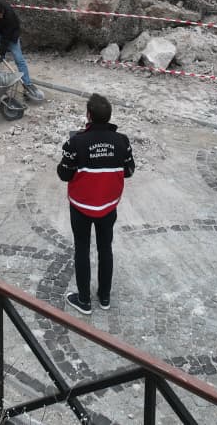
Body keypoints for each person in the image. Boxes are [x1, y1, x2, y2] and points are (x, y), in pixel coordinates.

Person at [56, 93, 136, 315]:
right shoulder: (122, 141)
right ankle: (104, 297)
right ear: (109, 117)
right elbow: (129, 171)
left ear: (88, 116)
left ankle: (83, 300)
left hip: (81, 207)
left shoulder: (75, 142)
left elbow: (64, 174)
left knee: (82, 249)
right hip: (108, 206)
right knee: (105, 248)